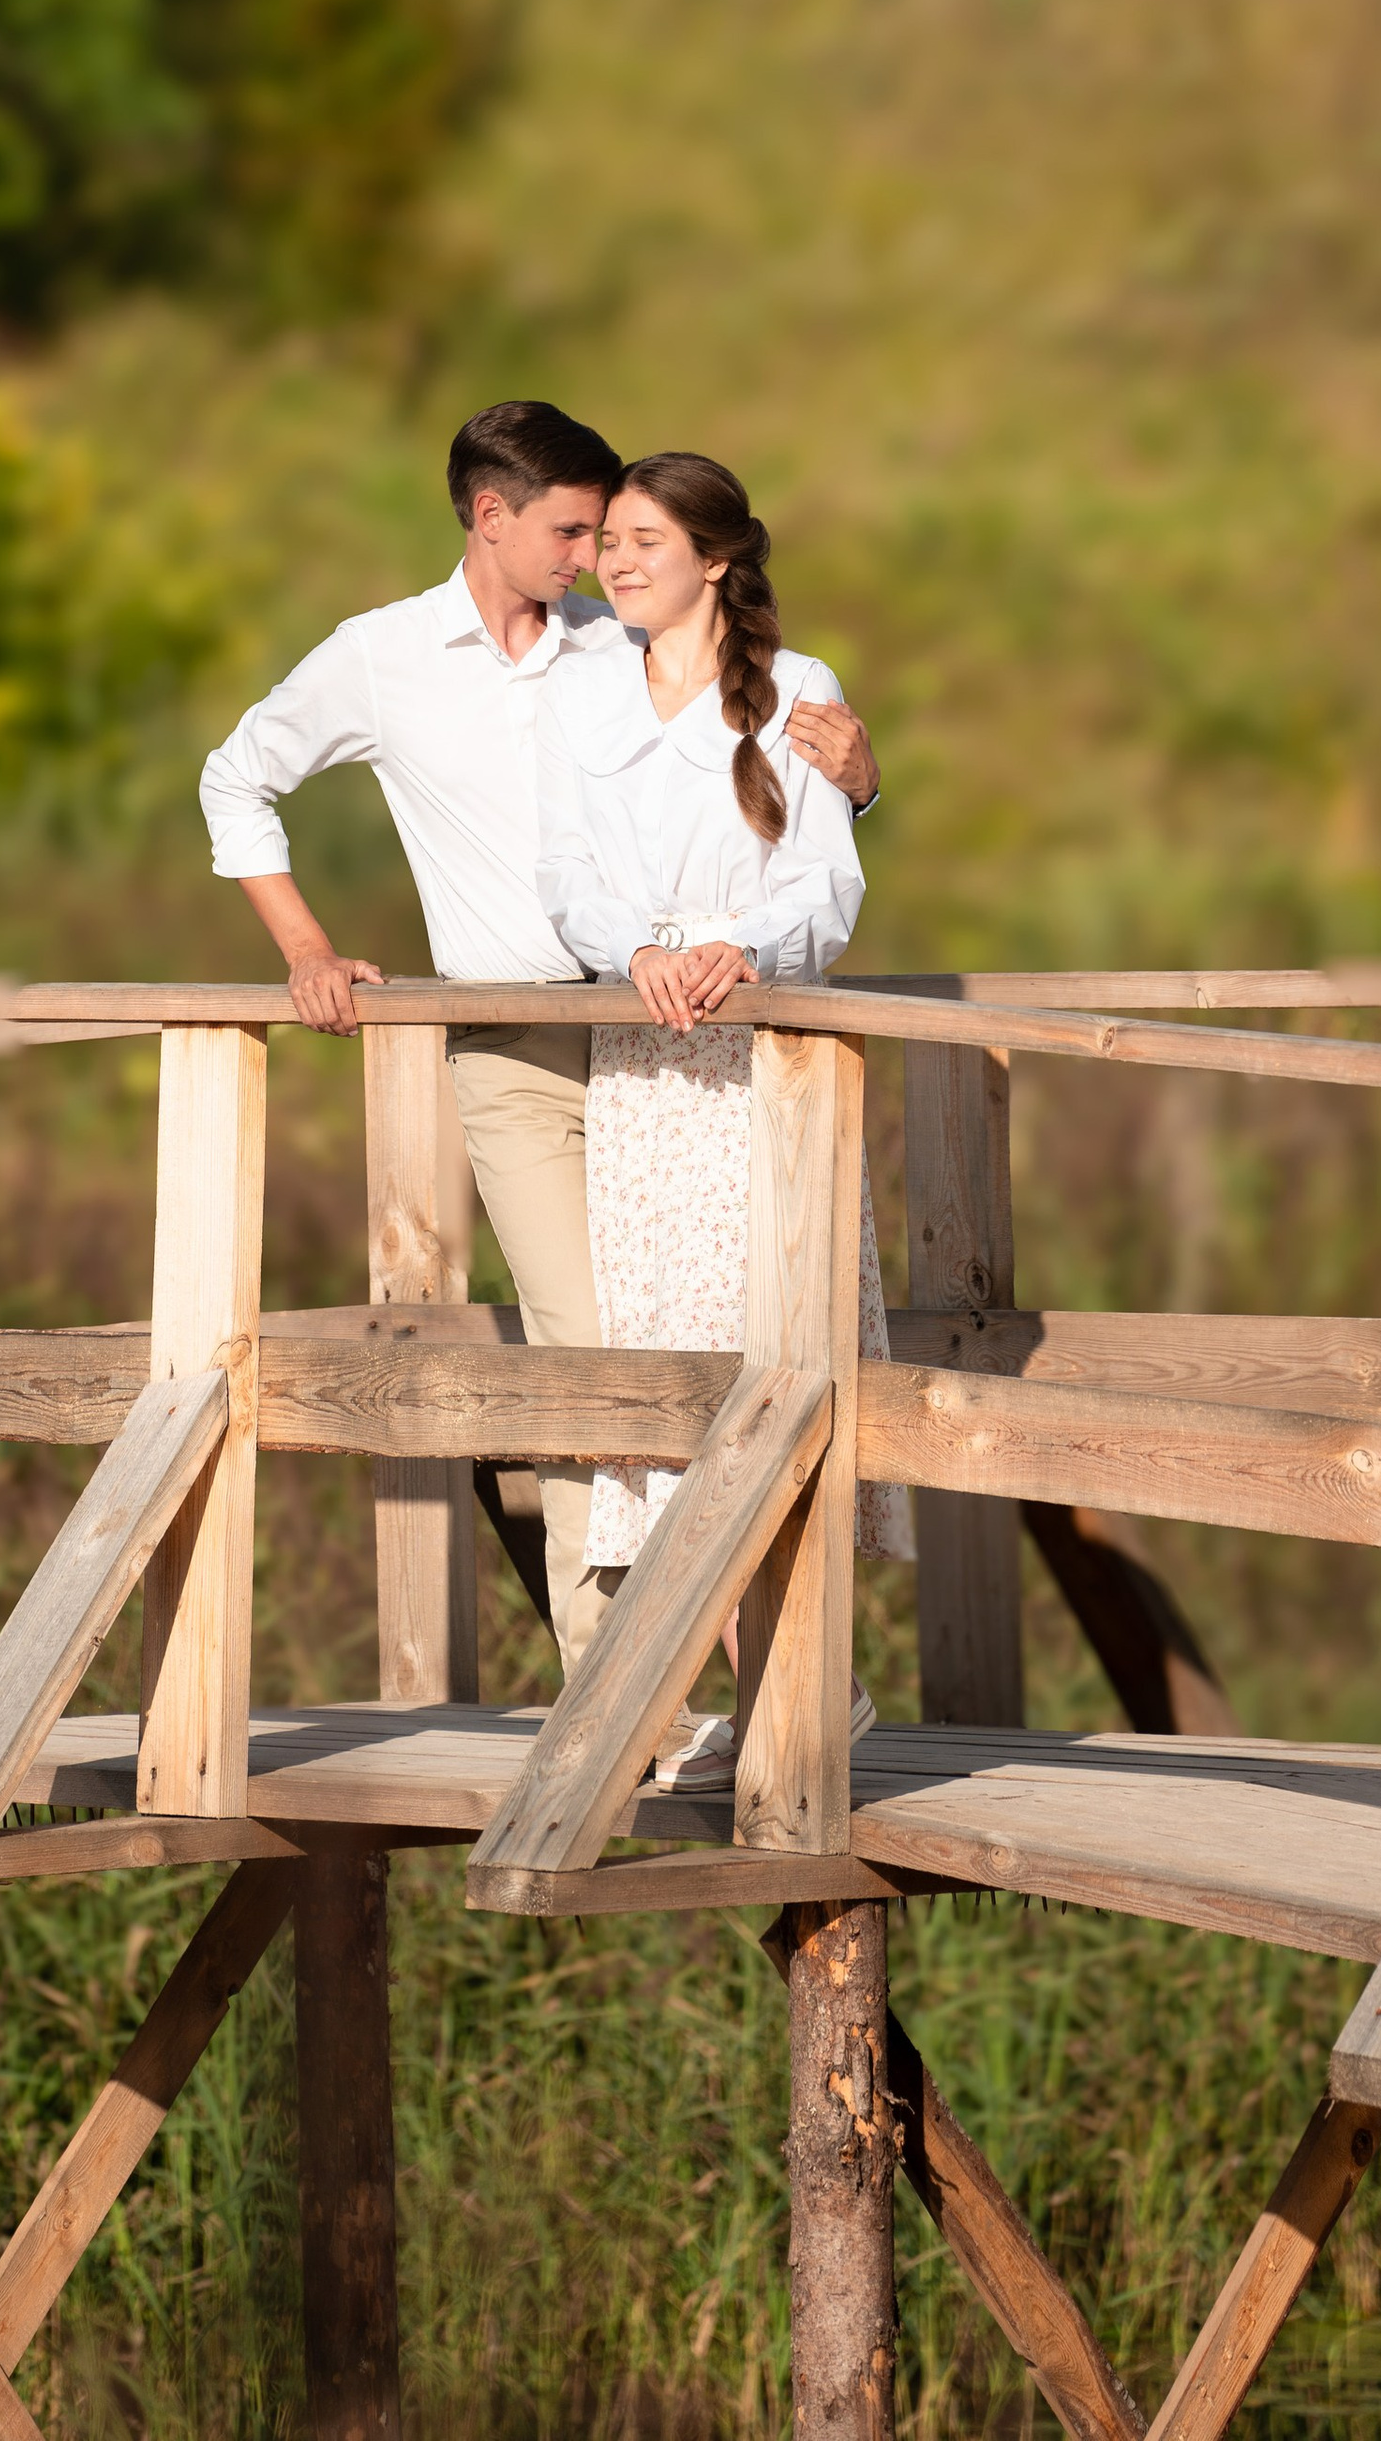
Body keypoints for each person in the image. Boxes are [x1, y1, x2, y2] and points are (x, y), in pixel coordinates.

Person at [199, 399, 881, 1669]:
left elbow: (749, 805)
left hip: (660, 1048)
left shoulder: (619, 641)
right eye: (572, 529)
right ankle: (618, 1685)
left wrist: (857, 778)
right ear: (489, 514)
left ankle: (767, 1669)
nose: (593, 555)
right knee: (591, 1354)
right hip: (517, 1045)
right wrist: (303, 948)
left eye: (609, 530)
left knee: (715, 1343)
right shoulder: (381, 654)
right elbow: (234, 776)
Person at [533, 447, 910, 1787]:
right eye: (611, 540)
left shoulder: (799, 691)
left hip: (760, 1064)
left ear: (718, 558)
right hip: (644, 1064)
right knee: (671, 1371)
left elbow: (827, 879)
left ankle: (800, 1688)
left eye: (646, 539)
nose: (618, 560)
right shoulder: (585, 696)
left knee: (767, 1352)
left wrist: (741, 951)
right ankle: (779, 1693)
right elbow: (566, 872)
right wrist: (635, 949)